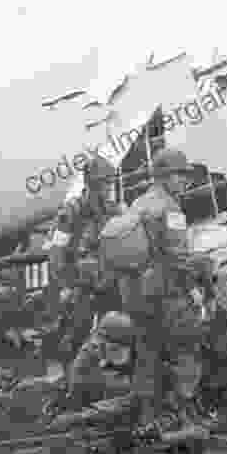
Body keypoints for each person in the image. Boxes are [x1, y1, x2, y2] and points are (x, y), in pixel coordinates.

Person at [120, 147, 207, 435]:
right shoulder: (170, 209)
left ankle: (146, 421)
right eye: (180, 175)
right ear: (165, 176)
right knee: (186, 348)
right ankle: (186, 418)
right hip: (167, 293)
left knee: (148, 354)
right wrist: (194, 288)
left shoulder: (137, 204)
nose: (184, 181)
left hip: (136, 296)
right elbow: (179, 256)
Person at [48, 155, 124, 385]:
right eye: (104, 184)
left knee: (111, 329)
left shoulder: (113, 210)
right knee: (75, 332)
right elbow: (57, 251)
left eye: (110, 183)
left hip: (107, 280)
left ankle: (102, 377)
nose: (108, 189)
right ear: (91, 183)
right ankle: (68, 380)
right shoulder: (71, 211)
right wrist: (64, 285)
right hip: (79, 283)